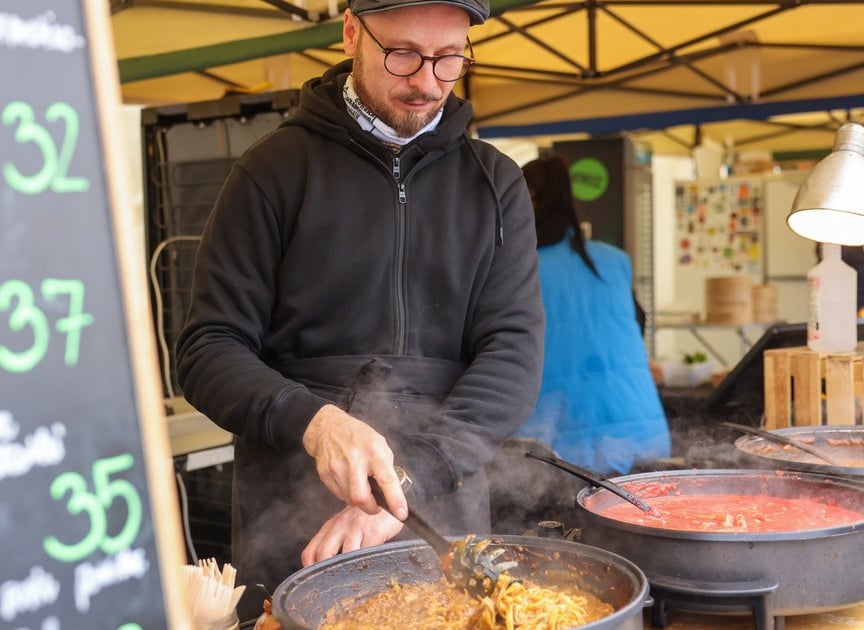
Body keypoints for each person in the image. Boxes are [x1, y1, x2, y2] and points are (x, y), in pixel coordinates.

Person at [174, 0, 545, 619]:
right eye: (403, 54)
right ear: (351, 33)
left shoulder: (496, 182)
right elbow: (207, 347)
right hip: (294, 520)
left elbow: (514, 356)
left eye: (450, 59)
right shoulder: (270, 172)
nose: (428, 81)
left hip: (440, 510)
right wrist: (316, 422)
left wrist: (408, 481)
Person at [513, 154, 670, 477]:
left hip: (564, 447)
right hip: (644, 434)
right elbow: (637, 325)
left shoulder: (518, 269)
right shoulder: (613, 260)